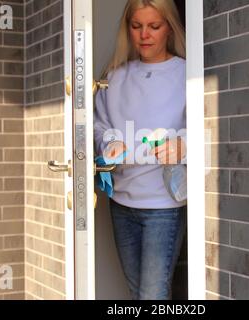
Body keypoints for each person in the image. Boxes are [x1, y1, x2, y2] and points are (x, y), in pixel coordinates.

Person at [93, 0, 187, 300]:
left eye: (154, 26)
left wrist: (183, 147)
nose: (144, 34)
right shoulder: (115, 76)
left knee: (152, 296)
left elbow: (208, 125)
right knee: (138, 294)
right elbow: (96, 124)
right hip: (121, 202)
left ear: (169, 28)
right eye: (136, 26)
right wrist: (109, 143)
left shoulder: (187, 73)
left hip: (164, 207)